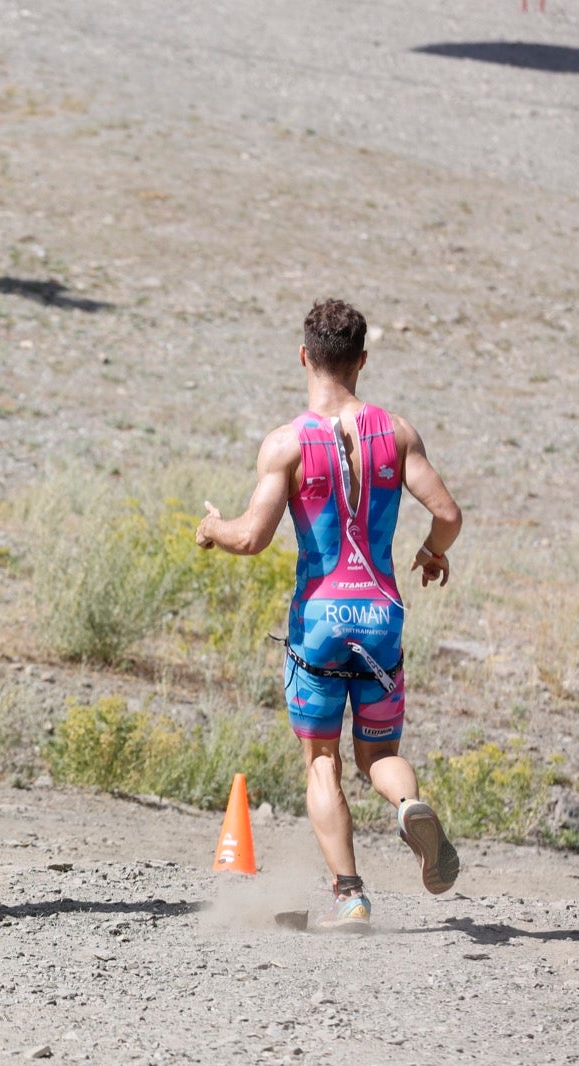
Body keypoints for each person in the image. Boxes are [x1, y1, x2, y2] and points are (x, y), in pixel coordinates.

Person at [194, 298, 463, 933]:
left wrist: (211, 527)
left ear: (304, 356)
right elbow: (448, 514)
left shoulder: (287, 443)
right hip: (380, 617)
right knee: (377, 757)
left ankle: (349, 894)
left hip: (318, 620)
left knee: (323, 762)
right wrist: (431, 553)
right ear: (362, 361)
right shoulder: (396, 435)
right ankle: (410, 804)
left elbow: (253, 536)